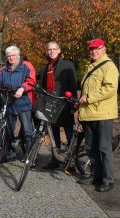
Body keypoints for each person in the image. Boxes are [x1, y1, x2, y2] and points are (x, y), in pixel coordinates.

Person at [77, 38, 119, 192]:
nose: (93, 51)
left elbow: (110, 88)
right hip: (89, 115)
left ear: (104, 49)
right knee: (91, 148)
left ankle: (108, 180)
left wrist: (89, 98)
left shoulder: (109, 67)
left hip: (103, 114)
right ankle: (96, 176)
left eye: (96, 48)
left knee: (104, 148)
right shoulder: (90, 66)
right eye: (91, 49)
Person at [0, 45, 36, 159]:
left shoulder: (26, 66)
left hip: (23, 101)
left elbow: (31, 81)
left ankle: (31, 156)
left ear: (18, 55)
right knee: (9, 128)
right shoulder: (4, 68)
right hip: (9, 102)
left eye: (13, 55)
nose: (11, 58)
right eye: (8, 56)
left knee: (27, 130)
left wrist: (22, 88)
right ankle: (10, 151)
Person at [39, 41, 77, 170]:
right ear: (47, 51)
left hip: (65, 104)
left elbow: (73, 84)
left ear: (59, 50)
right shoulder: (45, 68)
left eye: (54, 49)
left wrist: (73, 104)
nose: (52, 51)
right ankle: (55, 159)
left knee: (69, 134)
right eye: (49, 49)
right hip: (51, 106)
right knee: (53, 133)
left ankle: (71, 161)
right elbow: (43, 88)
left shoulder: (67, 65)